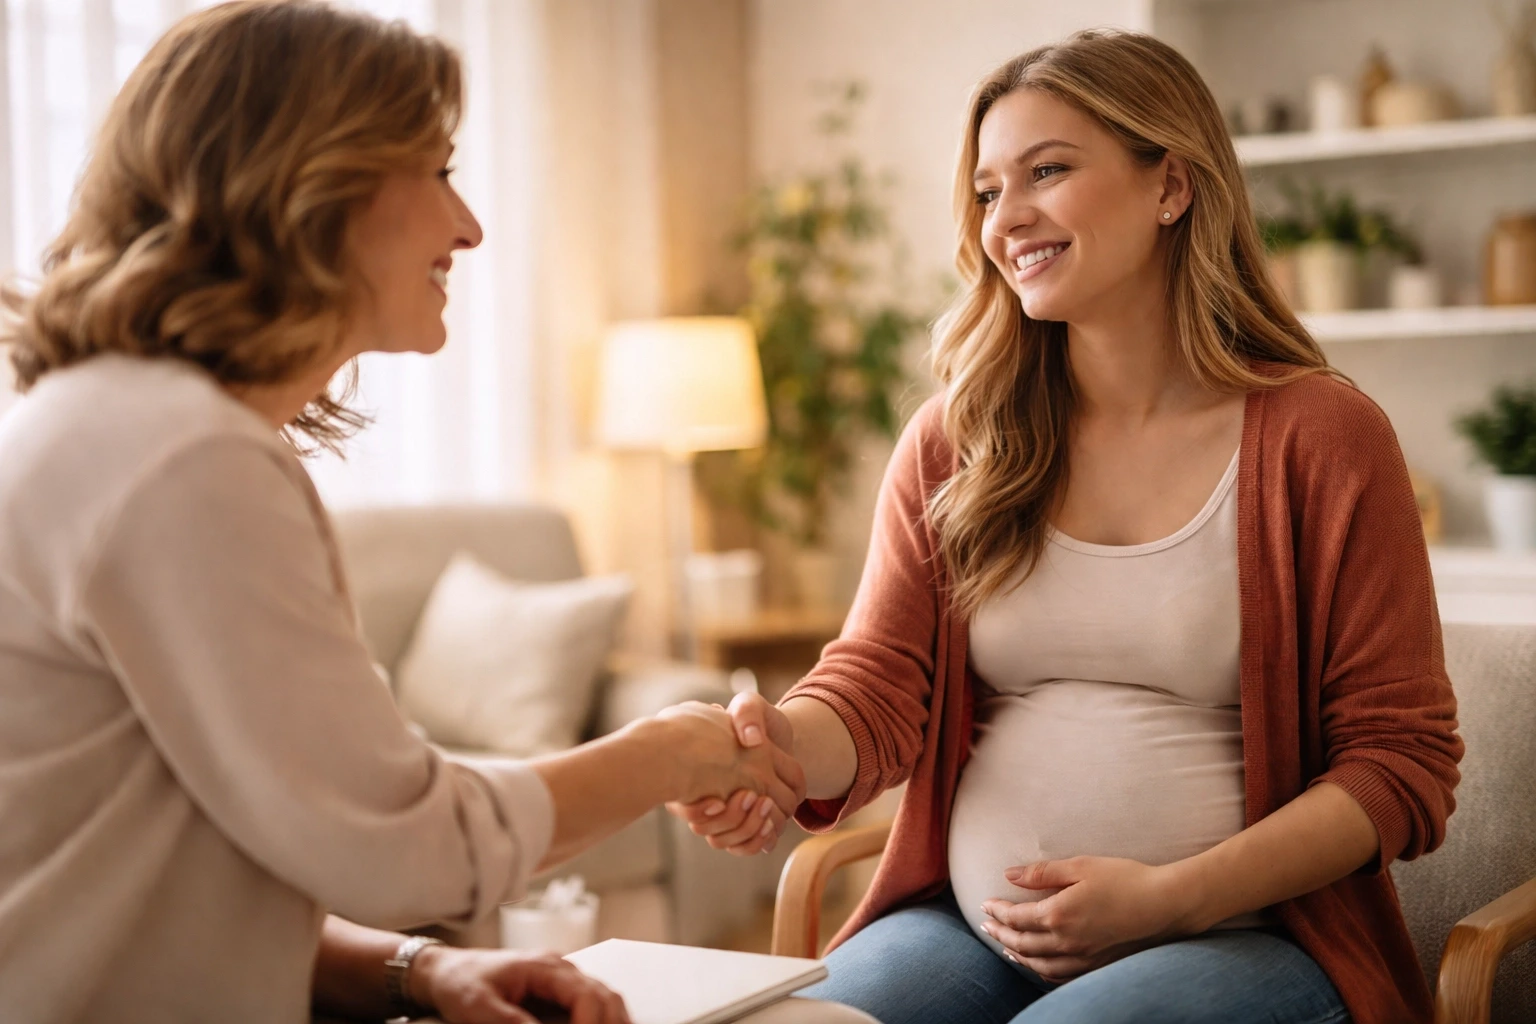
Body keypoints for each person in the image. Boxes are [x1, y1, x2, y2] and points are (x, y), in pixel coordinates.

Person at [0, 4, 803, 1023]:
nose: (468, 226)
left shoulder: (132, 426)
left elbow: (194, 858)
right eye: (436, 171)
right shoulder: (180, 460)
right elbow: (407, 843)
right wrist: (664, 755)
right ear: (311, 186)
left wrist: (418, 971)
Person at [673, 29, 1463, 1024]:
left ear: (1170, 184)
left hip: (1251, 937)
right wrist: (774, 747)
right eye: (989, 190)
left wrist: (1177, 893)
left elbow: (1401, 763)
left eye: (1048, 171)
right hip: (971, 930)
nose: (1009, 220)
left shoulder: (1324, 437)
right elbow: (877, 689)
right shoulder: (959, 440)